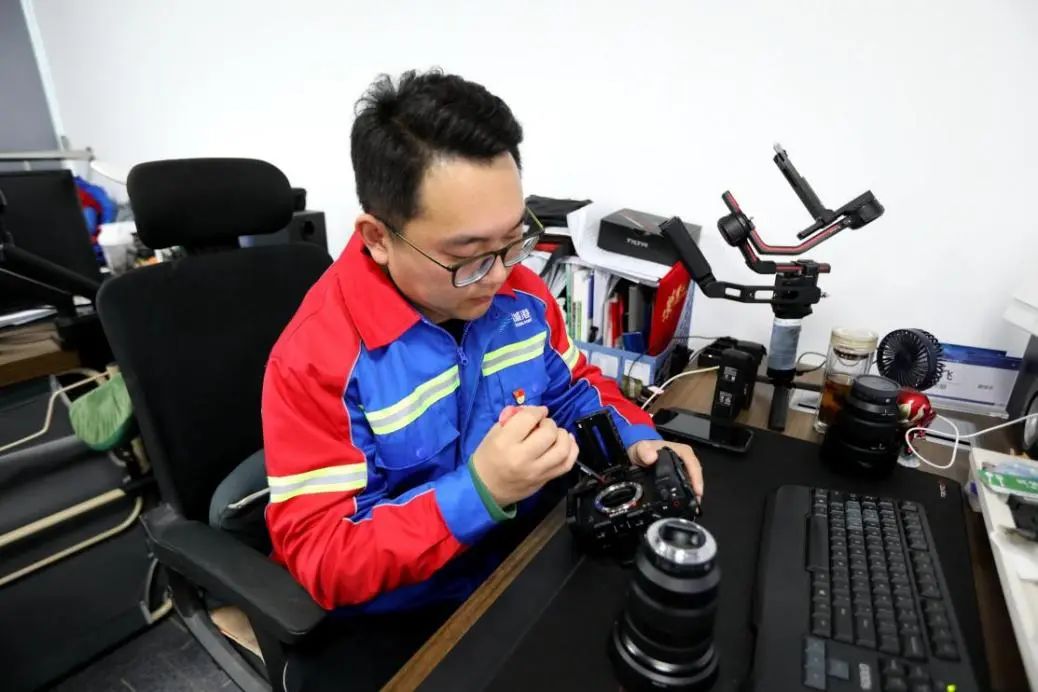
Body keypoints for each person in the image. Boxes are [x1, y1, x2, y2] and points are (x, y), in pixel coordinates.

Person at [261, 68, 703, 688]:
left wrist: (637, 437)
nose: (499, 275)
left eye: (514, 240)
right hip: (405, 610)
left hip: (519, 560)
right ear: (379, 238)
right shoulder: (316, 359)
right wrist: (481, 490)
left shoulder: (521, 295)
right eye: (468, 256)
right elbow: (324, 557)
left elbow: (573, 389)